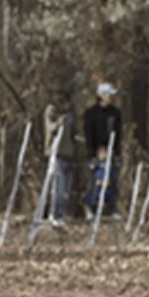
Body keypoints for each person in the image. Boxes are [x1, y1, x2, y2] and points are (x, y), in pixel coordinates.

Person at [83, 81, 122, 218]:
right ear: (101, 95)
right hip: (97, 152)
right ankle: (90, 206)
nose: (111, 97)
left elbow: (118, 135)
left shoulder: (116, 113)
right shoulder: (91, 113)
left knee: (112, 180)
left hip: (112, 152)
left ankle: (111, 208)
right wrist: (93, 154)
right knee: (97, 181)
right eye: (108, 94)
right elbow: (89, 135)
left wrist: (116, 153)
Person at [44, 89, 77, 227]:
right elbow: (51, 128)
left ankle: (62, 213)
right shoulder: (51, 111)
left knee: (66, 188)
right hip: (56, 153)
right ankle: (54, 214)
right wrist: (61, 121)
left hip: (69, 153)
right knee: (58, 185)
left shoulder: (70, 114)